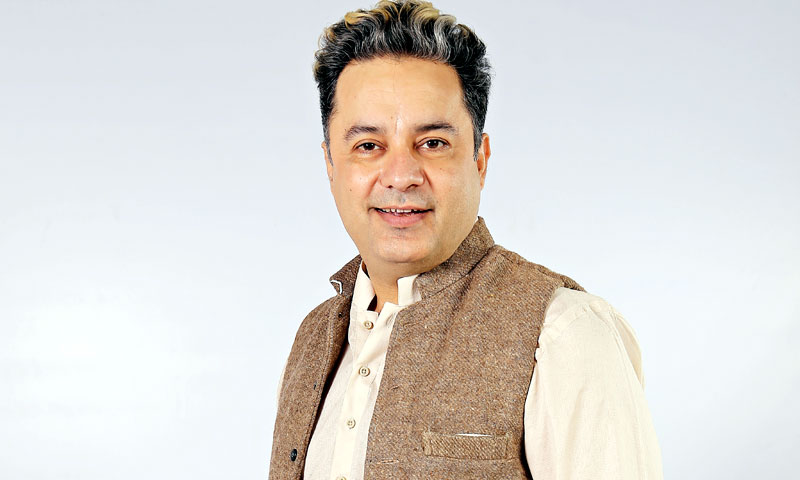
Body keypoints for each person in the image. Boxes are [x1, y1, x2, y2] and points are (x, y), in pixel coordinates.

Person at [269, 1, 663, 479]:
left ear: (480, 160)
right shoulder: (313, 341)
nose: (401, 175)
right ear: (331, 165)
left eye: (433, 143)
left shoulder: (563, 332)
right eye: (368, 146)